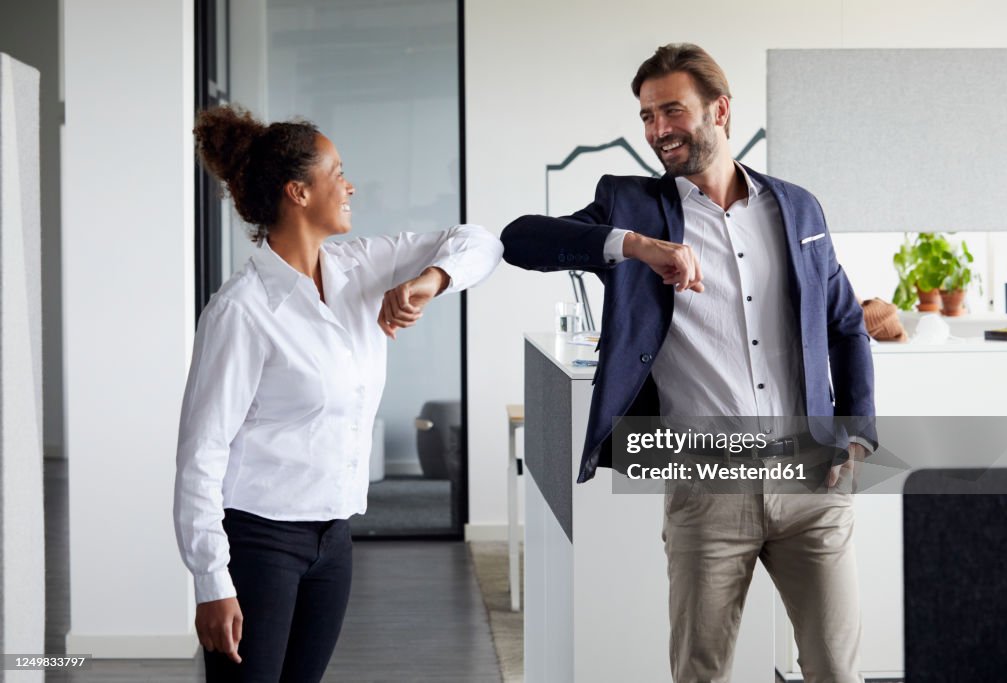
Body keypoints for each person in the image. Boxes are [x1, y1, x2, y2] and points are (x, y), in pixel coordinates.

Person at [501, 43, 875, 683]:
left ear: (720, 109)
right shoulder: (633, 205)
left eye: (672, 111)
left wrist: (859, 432)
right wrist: (636, 247)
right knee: (701, 674)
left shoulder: (799, 207)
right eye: (647, 117)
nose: (657, 131)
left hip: (814, 482)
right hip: (708, 482)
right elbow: (520, 240)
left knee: (837, 671)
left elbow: (844, 324)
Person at [174, 105, 502, 682]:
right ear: (298, 192)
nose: (350, 185)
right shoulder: (242, 310)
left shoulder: (359, 267)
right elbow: (201, 454)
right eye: (337, 172)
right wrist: (211, 581)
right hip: (258, 542)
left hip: (334, 542)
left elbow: (480, 243)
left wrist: (429, 281)